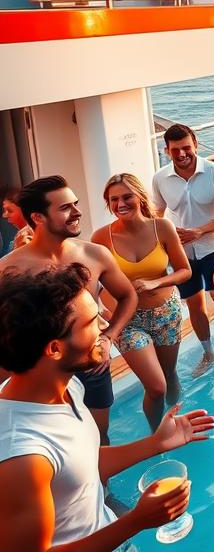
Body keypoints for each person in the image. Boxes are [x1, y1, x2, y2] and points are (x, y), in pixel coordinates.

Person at [0, 265, 214, 551]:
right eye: (91, 321)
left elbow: (79, 467)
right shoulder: (21, 455)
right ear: (54, 349)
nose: (104, 325)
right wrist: (136, 521)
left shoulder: (67, 387)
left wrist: (154, 444)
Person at [0, 176, 137, 445]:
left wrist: (109, 337)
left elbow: (128, 295)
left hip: (91, 364)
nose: (77, 212)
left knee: (99, 437)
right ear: (38, 217)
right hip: (37, 372)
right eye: (65, 208)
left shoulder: (95, 254)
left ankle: (102, 488)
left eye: (75, 204)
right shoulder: (8, 269)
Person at [90, 174, 191, 431]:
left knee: (169, 376)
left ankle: (175, 420)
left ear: (140, 197)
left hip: (166, 313)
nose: (120, 203)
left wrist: (155, 282)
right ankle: (158, 437)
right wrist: (98, 309)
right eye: (114, 200)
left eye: (126, 197)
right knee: (156, 387)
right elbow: (92, 282)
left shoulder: (162, 227)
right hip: (127, 320)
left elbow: (184, 270)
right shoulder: (101, 237)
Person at [153, 123, 214, 375]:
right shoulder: (160, 178)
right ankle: (209, 353)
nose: (182, 154)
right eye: (175, 150)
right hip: (181, 252)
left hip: (213, 246)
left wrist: (200, 231)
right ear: (166, 150)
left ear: (195, 145)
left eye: (186, 148)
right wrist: (162, 245)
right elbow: (156, 215)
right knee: (195, 305)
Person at [1, 186, 31, 254]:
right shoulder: (20, 236)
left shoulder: (26, 240)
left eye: (9, 211)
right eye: (4, 210)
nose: (4, 215)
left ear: (26, 211)